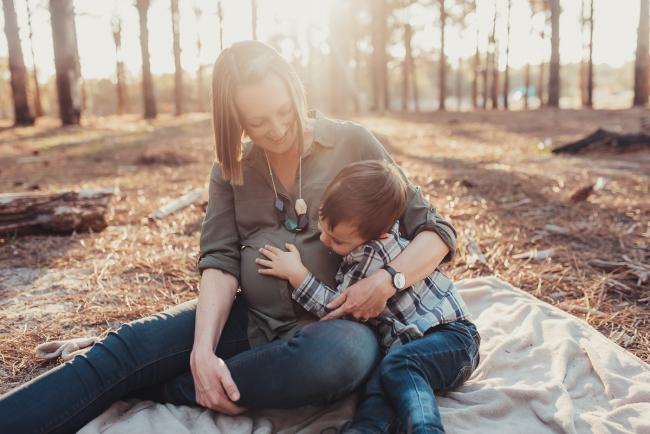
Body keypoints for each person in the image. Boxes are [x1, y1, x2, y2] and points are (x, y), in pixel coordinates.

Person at [0, 40, 458, 434]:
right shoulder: (231, 170)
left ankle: (171, 386)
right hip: (252, 320)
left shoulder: (352, 142)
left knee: (338, 358)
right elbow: (218, 261)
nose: (276, 129)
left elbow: (435, 231)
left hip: (333, 328)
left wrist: (388, 281)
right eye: (257, 122)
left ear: (298, 91)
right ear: (235, 119)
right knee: (124, 349)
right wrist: (201, 351)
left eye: (284, 110)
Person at [257, 160, 481, 433]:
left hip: (451, 338)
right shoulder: (370, 233)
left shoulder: (370, 255)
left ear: (380, 234)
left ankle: (427, 428)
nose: (325, 240)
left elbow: (339, 309)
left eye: (337, 240)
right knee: (379, 386)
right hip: (413, 346)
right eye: (322, 224)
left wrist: (298, 275)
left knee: (402, 366)